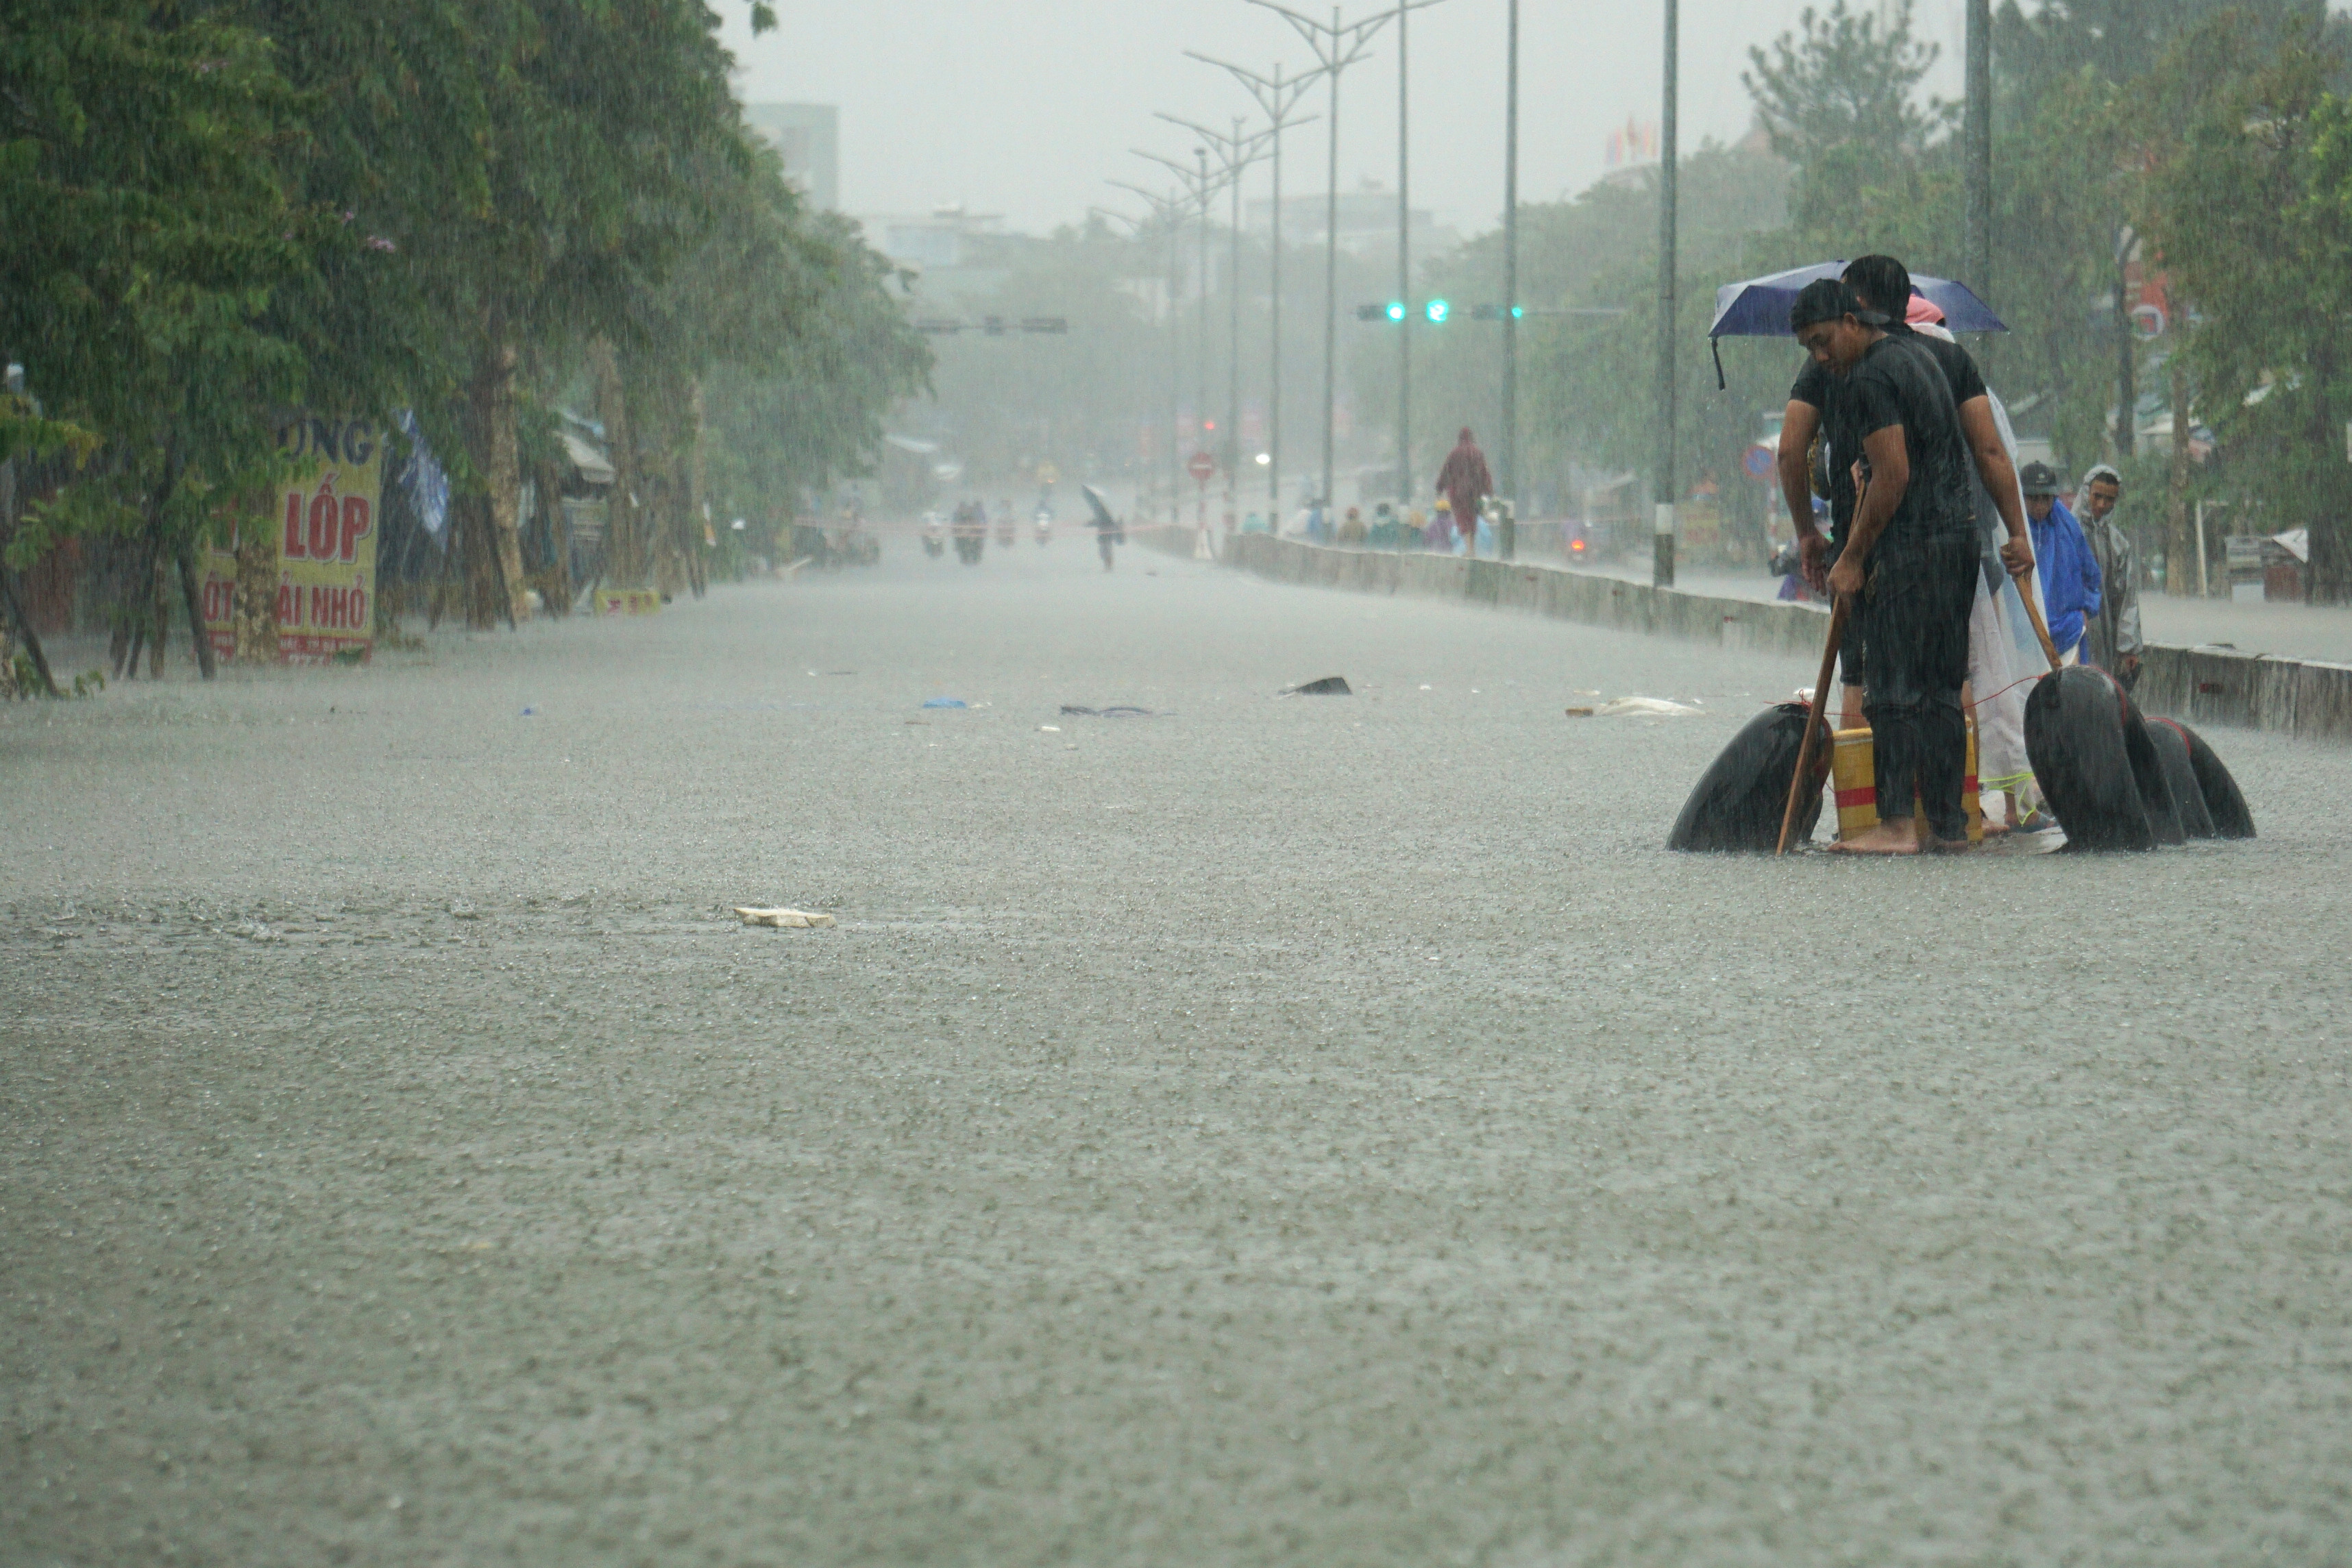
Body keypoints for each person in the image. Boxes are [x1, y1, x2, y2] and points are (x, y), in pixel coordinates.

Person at [1776, 256, 2035, 728]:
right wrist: (2017, 532)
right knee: (1948, 682)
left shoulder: (1833, 363)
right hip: (1948, 548)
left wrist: (1808, 536)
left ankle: (1872, 802)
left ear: (1852, 308)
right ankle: (1950, 798)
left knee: (1861, 678)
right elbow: (1991, 451)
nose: (1820, 350)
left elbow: (1791, 452)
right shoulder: (1950, 359)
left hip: (1867, 549)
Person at [1791, 278, 1980, 854]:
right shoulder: (1920, 356)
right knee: (1942, 690)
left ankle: (1897, 825)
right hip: (1956, 541)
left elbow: (1892, 476)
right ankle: (1948, 825)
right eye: (1809, 349)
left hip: (1911, 548)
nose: (1821, 357)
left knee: (1893, 691)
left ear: (1853, 321)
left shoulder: (1872, 377)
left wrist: (1850, 557)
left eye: (1824, 341)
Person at [2021, 462, 2100, 665]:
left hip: (2068, 632)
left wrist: (2086, 612)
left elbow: (2091, 574)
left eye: (2046, 498)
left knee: (2070, 693)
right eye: (2033, 499)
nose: (2040, 506)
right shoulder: (2014, 530)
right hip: (2024, 635)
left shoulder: (2068, 528)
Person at [2074, 463, 2142, 688]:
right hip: (2069, 630)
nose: (2102, 505)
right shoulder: (2066, 532)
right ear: (2086, 493)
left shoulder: (2118, 544)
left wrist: (2129, 648)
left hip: (2105, 636)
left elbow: (2126, 599)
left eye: (2109, 499)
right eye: (2097, 496)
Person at [1436, 427, 1493, 560]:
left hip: (1458, 494)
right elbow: (1485, 473)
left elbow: (1446, 471)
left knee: (1463, 520)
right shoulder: (1478, 453)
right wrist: (1489, 490)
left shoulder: (1454, 454)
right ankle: (1471, 549)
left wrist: (1439, 487)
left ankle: (1469, 550)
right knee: (1472, 520)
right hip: (1475, 493)